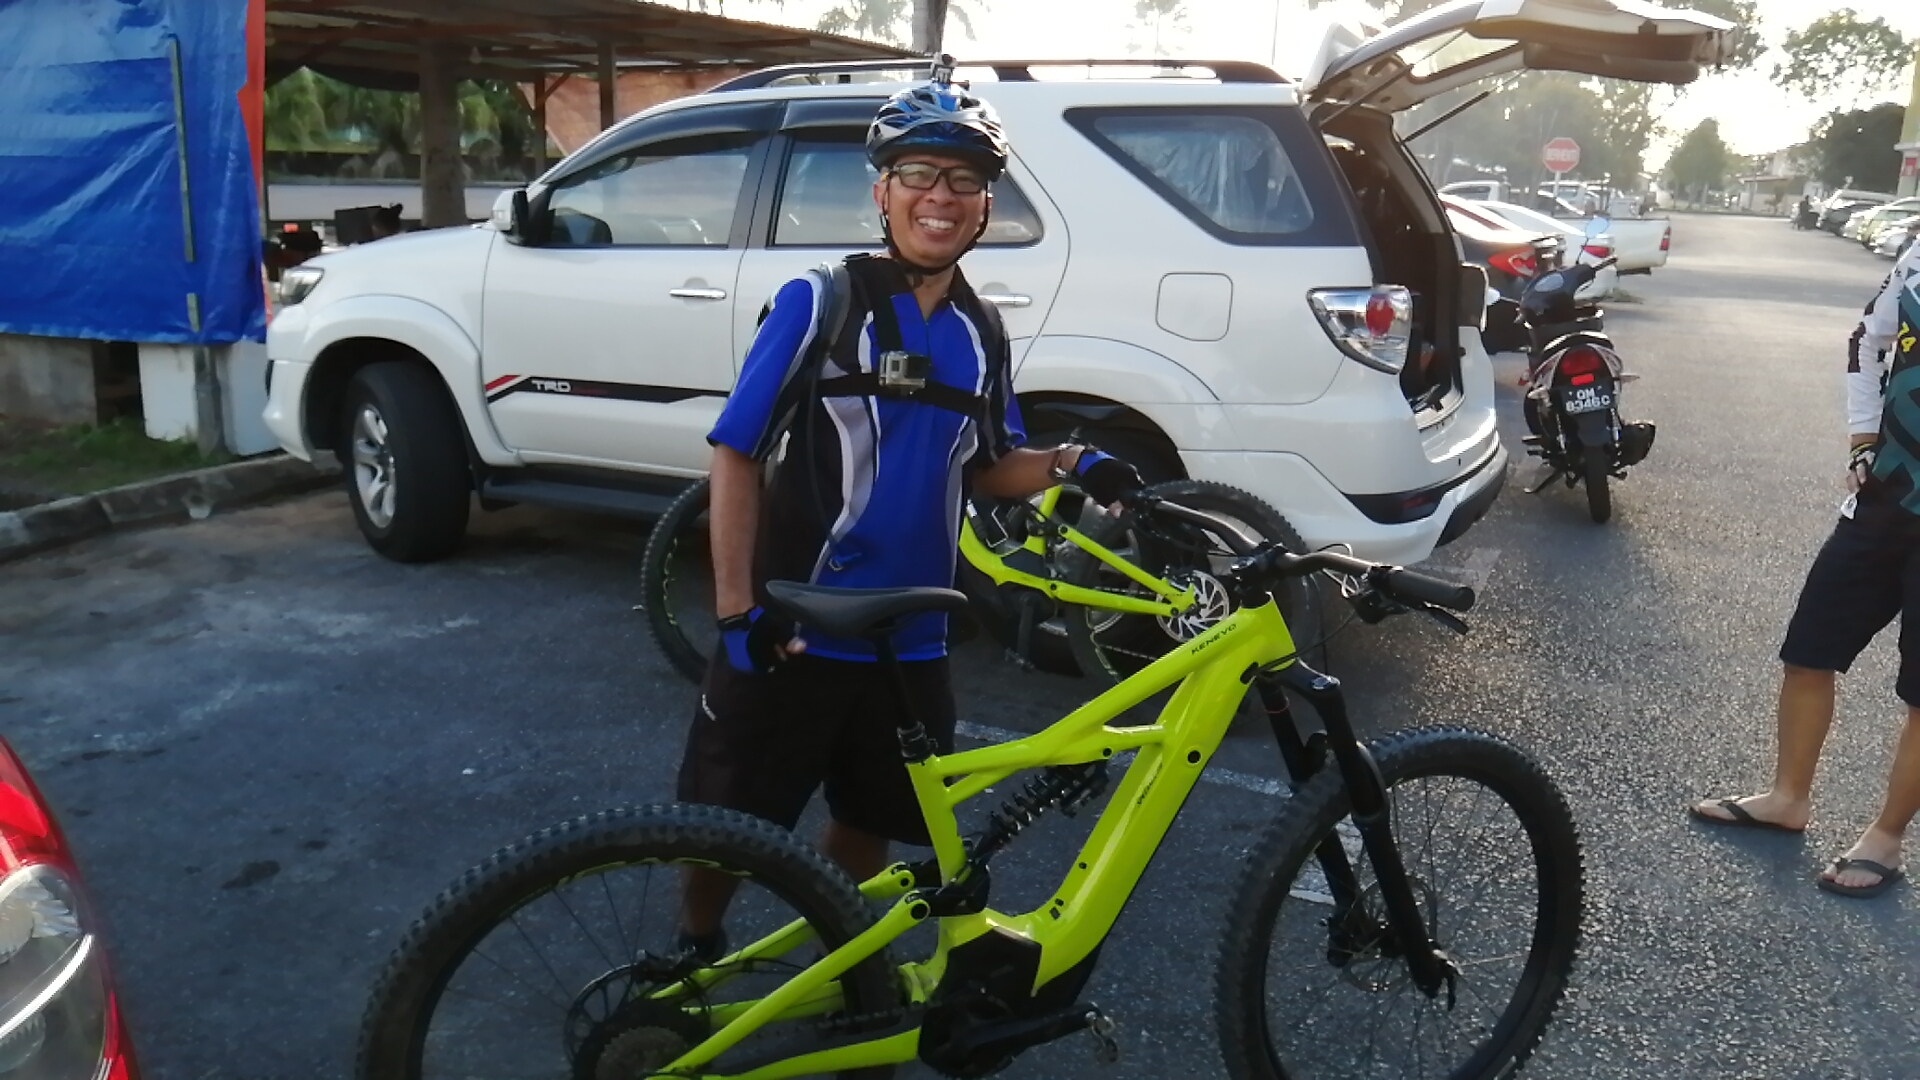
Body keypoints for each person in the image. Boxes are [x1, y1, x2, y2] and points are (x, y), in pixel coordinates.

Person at [672, 76, 1145, 954]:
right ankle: (690, 949)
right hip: (795, 625)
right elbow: (736, 451)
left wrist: (1071, 460)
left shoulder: (981, 330)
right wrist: (737, 612)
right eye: (920, 174)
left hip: (912, 640)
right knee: (729, 822)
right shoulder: (821, 301)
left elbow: (991, 466)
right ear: (882, 191)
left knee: (873, 816)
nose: (942, 196)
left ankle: (846, 968)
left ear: (985, 204)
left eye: (965, 180)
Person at [1690, 238, 1920, 899]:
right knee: (1809, 650)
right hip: (1886, 495)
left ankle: (1885, 837)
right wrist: (1864, 437)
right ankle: (1787, 798)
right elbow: (1868, 339)